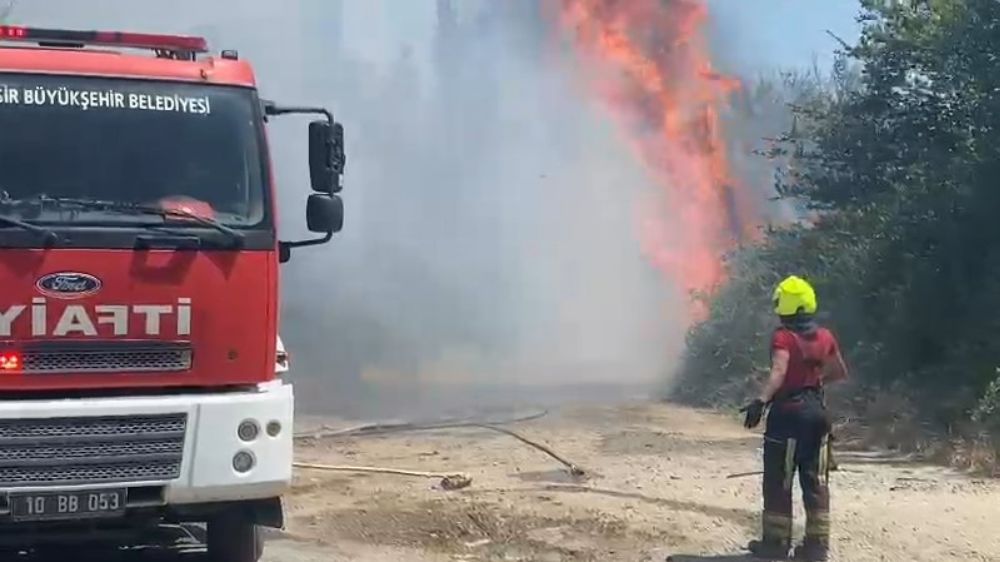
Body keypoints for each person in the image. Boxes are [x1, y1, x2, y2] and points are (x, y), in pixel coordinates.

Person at [741, 275, 849, 561]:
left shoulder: (783, 337)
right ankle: (816, 549)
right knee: (815, 483)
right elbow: (839, 371)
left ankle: (775, 546)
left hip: (788, 418)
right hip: (818, 418)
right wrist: (814, 382)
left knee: (779, 482)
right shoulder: (825, 337)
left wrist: (760, 401)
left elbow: (779, 372)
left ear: (784, 306)